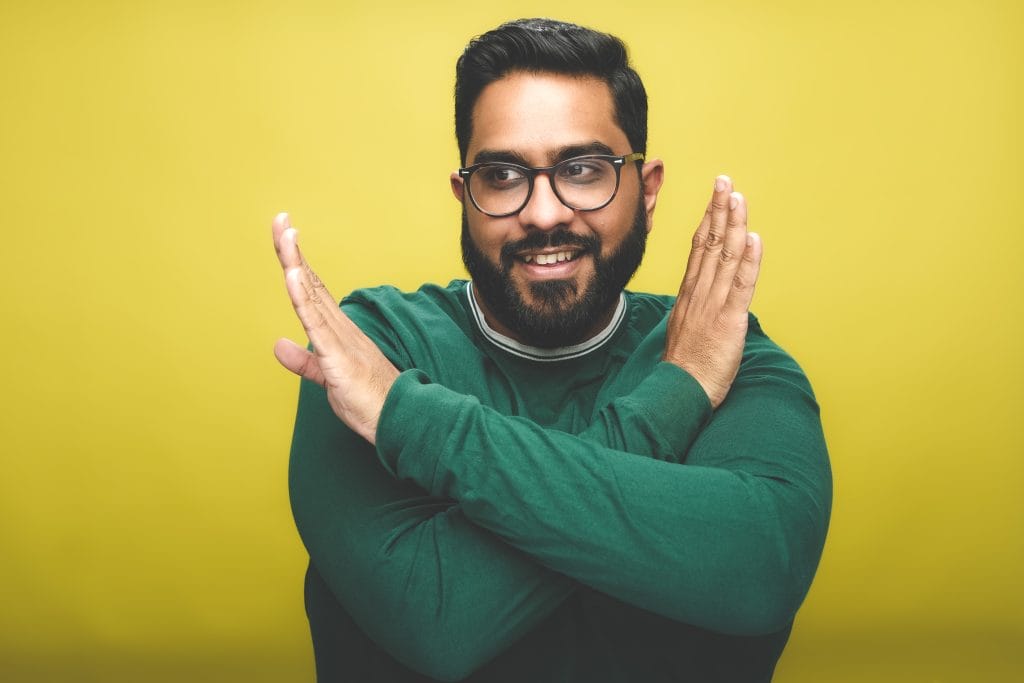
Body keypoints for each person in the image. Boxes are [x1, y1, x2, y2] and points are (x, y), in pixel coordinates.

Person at [272, 17, 831, 683]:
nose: (542, 212)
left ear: (646, 192)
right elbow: (437, 614)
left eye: (584, 169)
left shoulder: (733, 350)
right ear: (466, 196)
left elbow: (757, 569)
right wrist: (678, 390)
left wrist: (413, 422)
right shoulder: (370, 348)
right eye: (504, 174)